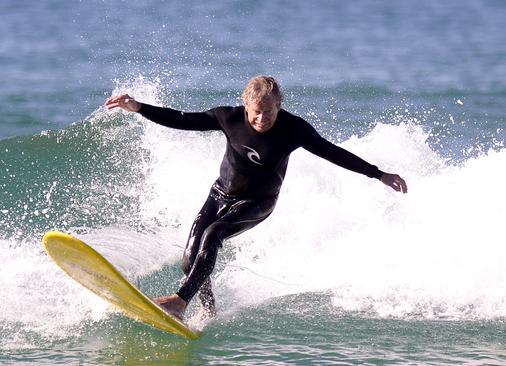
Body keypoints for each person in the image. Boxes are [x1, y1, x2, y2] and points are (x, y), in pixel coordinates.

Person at [104, 76, 407, 321]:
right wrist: (139, 107)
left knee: (213, 234)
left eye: (270, 112)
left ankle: (180, 301)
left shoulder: (294, 129)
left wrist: (378, 174)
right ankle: (206, 308)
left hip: (258, 201)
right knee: (190, 257)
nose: (262, 119)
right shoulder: (228, 117)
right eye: (257, 112)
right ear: (246, 105)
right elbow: (184, 120)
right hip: (220, 193)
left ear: (279, 107)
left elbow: (332, 152)